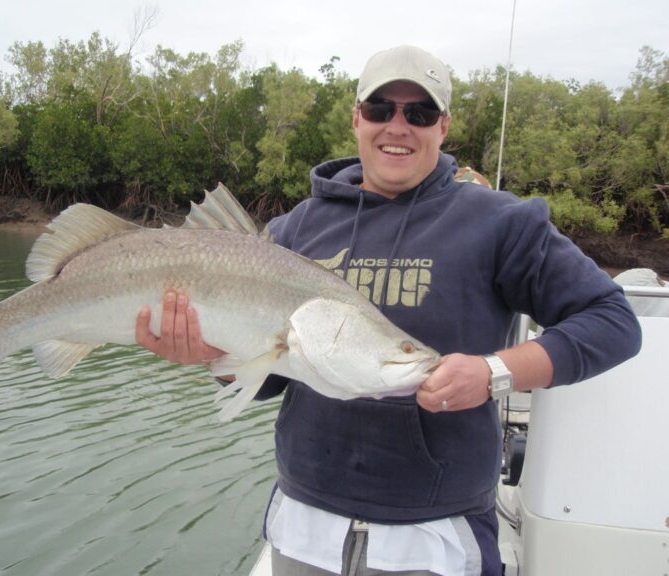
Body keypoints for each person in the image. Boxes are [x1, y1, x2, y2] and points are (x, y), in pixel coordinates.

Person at [135, 45, 641, 576]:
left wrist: (493, 373)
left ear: (443, 126)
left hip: (433, 537)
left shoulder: (501, 224)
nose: (397, 126)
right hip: (303, 527)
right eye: (381, 109)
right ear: (356, 118)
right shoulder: (293, 232)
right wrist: (210, 356)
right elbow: (267, 382)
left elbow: (613, 321)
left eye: (418, 113)